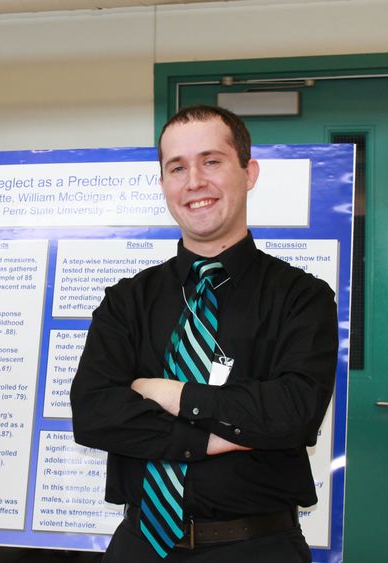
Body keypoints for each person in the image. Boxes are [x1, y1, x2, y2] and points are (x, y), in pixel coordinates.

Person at [70, 105, 337, 562]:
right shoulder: (127, 300)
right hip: (141, 546)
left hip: (255, 547)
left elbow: (294, 412)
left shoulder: (301, 297)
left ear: (248, 172)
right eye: (177, 167)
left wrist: (171, 394)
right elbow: (93, 412)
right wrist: (214, 437)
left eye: (211, 161)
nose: (194, 181)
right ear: (163, 184)